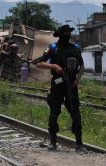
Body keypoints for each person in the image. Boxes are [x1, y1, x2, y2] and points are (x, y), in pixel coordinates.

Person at [36, 24, 85, 153]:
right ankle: (53, 142)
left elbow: (82, 66)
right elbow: (39, 64)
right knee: (53, 114)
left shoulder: (75, 48)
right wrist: (54, 66)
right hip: (57, 85)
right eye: (65, 33)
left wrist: (77, 80)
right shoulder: (53, 48)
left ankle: (79, 144)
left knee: (76, 114)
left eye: (69, 32)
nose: (68, 35)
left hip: (71, 86)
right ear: (60, 34)